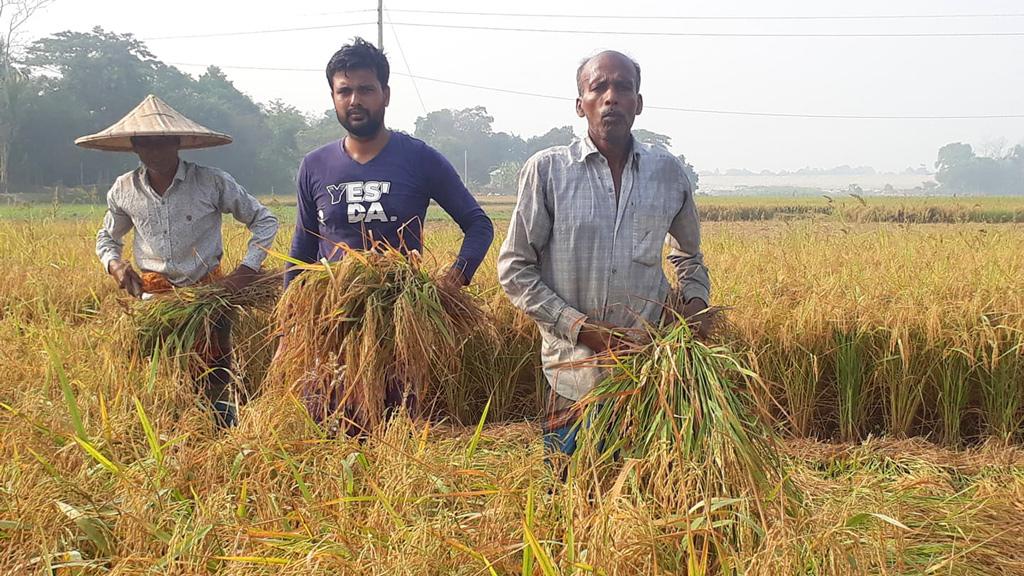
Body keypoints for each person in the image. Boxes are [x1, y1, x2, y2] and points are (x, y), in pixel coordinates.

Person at [497, 51, 712, 456]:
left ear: (638, 103)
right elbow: (515, 270)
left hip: (649, 378)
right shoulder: (547, 171)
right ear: (581, 105)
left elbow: (688, 256)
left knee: (647, 500)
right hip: (572, 377)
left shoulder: (668, 173)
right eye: (598, 87)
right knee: (569, 499)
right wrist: (584, 330)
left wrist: (695, 305)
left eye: (623, 87)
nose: (611, 96)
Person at [285, 38, 494, 432]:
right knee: (329, 432)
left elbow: (479, 225)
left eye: (365, 89)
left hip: (399, 328)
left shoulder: (419, 158)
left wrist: (453, 281)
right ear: (332, 97)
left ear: (385, 94)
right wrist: (289, 323)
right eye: (344, 91)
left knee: (398, 432)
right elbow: (303, 247)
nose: (354, 100)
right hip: (333, 327)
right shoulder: (314, 166)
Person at [81, 94, 279, 428]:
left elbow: (264, 220)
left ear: (177, 142)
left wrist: (247, 270)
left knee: (213, 369)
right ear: (134, 146)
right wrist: (116, 265)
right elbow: (107, 237)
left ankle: (221, 432)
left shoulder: (211, 182)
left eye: (161, 143)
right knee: (159, 376)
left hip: (208, 297)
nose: (153, 151)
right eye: (145, 144)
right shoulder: (124, 189)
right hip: (155, 300)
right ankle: (168, 434)